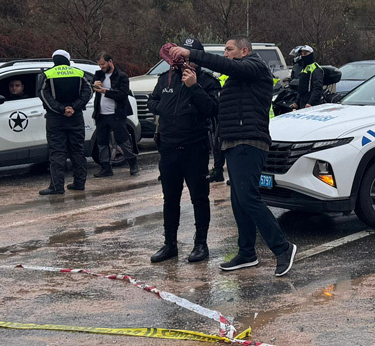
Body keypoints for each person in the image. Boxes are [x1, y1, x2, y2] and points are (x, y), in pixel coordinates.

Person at [164, 36, 298, 277]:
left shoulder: (255, 66)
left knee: (248, 198)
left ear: (244, 50)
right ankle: (247, 253)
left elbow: (227, 66)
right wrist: (194, 86)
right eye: (224, 50)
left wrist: (191, 54)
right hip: (233, 143)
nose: (225, 54)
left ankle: (283, 248)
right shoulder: (237, 79)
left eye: (229, 49)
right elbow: (215, 109)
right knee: (239, 201)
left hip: (249, 141)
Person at [147, 40, 220, 263]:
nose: (183, 60)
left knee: (199, 198)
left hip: (194, 149)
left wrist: (194, 86)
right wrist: (165, 109)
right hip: (168, 149)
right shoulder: (166, 78)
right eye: (180, 56)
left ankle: (201, 244)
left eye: (188, 56)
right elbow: (152, 101)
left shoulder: (207, 81)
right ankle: (170, 244)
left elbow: (212, 109)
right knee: (170, 199)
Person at [38, 50, 92, 196]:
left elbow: (43, 95)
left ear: (54, 60)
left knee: (57, 152)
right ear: (68, 60)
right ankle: (79, 183)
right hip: (76, 117)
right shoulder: (79, 73)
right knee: (77, 150)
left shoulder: (48, 74)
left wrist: (62, 109)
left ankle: (57, 187)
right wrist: (74, 107)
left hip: (55, 118)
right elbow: (88, 92)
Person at [91, 53, 139, 178]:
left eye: (103, 64)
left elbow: (122, 94)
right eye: (99, 65)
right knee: (101, 141)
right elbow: (91, 88)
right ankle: (105, 167)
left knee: (122, 139)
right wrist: (95, 85)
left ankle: (133, 162)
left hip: (116, 114)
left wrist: (105, 91)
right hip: (101, 114)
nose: (101, 67)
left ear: (110, 61)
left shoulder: (121, 76)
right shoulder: (98, 75)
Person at [289, 45, 326, 109]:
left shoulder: (316, 69)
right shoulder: (305, 68)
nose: (303, 55)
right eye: (302, 54)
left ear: (311, 54)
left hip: (311, 104)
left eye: (305, 53)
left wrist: (310, 103)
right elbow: (302, 88)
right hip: (303, 102)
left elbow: (317, 88)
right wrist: (297, 102)